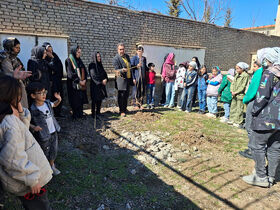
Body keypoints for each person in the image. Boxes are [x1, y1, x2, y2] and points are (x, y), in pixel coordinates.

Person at [0, 75, 52, 209]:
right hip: (29, 183)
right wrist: (32, 178)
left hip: (27, 177)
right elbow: (12, 159)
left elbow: (23, 130)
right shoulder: (9, 122)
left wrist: (20, 111)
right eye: (18, 94)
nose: (20, 98)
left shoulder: (8, 116)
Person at [242, 47, 280, 188]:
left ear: (269, 60)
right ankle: (271, 177)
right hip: (279, 121)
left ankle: (260, 177)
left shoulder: (269, 74)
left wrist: (254, 112)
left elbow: (262, 97)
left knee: (256, 145)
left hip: (266, 118)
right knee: (274, 148)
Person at [27, 82, 62, 176]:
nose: (44, 94)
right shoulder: (32, 109)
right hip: (43, 135)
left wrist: (59, 99)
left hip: (53, 131)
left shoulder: (47, 103)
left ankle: (51, 166)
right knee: (44, 151)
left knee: (54, 149)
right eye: (40, 93)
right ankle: (45, 168)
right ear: (33, 95)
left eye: (44, 92)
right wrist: (34, 127)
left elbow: (54, 104)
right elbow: (26, 121)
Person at [239, 61, 263, 159]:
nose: (252, 68)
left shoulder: (259, 73)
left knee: (249, 126)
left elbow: (253, 89)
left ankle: (252, 150)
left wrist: (246, 99)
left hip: (254, 100)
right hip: (262, 101)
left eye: (254, 66)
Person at [0, 38, 31, 108]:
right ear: (9, 47)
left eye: (19, 47)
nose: (18, 49)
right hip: (8, 88)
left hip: (17, 85)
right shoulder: (4, 57)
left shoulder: (15, 58)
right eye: (16, 47)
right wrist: (14, 75)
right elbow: (8, 73)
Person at [65, 46, 88, 119]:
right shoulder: (69, 60)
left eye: (80, 52)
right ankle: (75, 115)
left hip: (81, 85)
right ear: (74, 52)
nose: (79, 54)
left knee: (80, 100)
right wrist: (79, 81)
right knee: (75, 101)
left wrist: (85, 80)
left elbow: (84, 70)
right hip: (73, 85)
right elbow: (70, 73)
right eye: (78, 52)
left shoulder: (79, 60)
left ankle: (80, 114)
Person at [42, 42, 64, 117]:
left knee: (59, 96)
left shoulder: (54, 56)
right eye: (48, 51)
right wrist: (51, 60)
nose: (50, 52)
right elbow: (51, 68)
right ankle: (53, 114)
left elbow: (59, 67)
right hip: (50, 82)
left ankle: (58, 113)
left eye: (51, 50)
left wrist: (53, 59)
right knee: (52, 97)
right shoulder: (44, 58)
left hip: (57, 81)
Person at [113, 43, 132, 117]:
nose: (122, 51)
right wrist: (122, 70)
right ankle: (121, 110)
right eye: (120, 49)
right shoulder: (116, 58)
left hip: (128, 78)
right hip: (121, 79)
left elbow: (130, 66)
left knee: (126, 95)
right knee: (121, 95)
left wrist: (136, 66)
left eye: (123, 49)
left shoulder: (127, 56)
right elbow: (116, 69)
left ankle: (125, 108)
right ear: (118, 50)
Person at [228, 62, 250, 127]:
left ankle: (238, 121)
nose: (236, 70)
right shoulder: (237, 74)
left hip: (240, 95)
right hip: (234, 94)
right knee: (233, 107)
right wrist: (232, 90)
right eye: (236, 68)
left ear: (242, 68)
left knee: (239, 108)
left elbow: (243, 86)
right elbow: (233, 83)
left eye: (238, 68)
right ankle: (232, 119)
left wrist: (236, 92)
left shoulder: (245, 76)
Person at [89, 51, 108, 118]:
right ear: (94, 57)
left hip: (101, 85)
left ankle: (98, 112)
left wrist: (105, 79)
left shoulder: (100, 64)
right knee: (94, 100)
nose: (99, 58)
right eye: (98, 57)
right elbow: (93, 75)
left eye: (100, 56)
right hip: (95, 85)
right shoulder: (92, 65)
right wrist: (101, 82)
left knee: (100, 99)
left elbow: (104, 73)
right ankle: (93, 114)